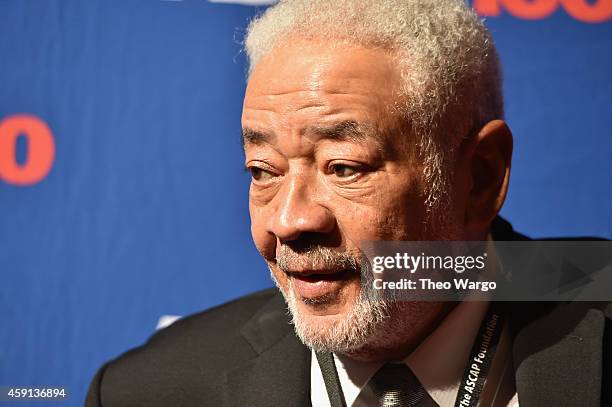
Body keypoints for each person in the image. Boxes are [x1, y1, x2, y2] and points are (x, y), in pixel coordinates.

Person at [86, 1, 611, 406]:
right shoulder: (148, 390)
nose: (290, 221)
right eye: (262, 172)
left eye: (344, 168)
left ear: (479, 177)